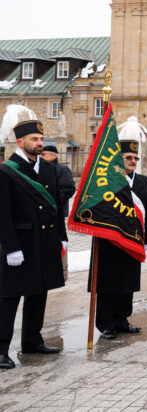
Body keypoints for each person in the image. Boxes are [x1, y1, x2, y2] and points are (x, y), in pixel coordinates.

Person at [0, 105, 68, 369]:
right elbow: (3, 214)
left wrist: (61, 237)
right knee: (9, 298)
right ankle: (1, 348)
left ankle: (32, 340)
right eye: (34, 140)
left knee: (39, 292)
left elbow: (56, 207)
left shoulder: (48, 169)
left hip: (45, 242)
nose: (40, 143)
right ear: (20, 142)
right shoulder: (6, 170)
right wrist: (10, 248)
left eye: (41, 139)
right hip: (21, 244)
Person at [91, 117, 147, 339]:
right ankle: (105, 322)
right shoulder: (106, 179)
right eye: (128, 157)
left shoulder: (144, 182)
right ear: (120, 158)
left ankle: (122, 318)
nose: (132, 161)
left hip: (133, 238)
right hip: (110, 239)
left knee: (128, 281)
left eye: (136, 158)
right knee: (108, 282)